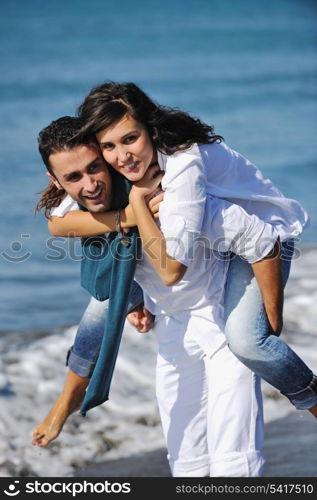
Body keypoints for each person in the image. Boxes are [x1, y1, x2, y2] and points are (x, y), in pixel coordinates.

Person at [32, 115, 285, 477]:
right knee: (185, 463)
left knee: (234, 460)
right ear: (56, 181)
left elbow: (258, 239)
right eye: (73, 177)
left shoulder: (169, 194)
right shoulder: (91, 204)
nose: (89, 184)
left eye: (94, 168)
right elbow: (57, 224)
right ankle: (67, 398)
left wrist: (270, 319)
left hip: (220, 315)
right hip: (172, 327)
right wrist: (131, 219)